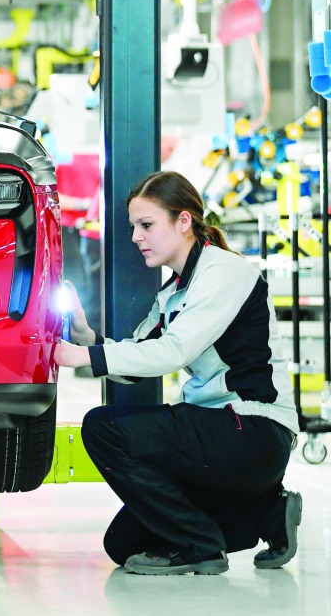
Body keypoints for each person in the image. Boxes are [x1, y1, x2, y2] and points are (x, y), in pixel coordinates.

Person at [55, 170, 301, 576]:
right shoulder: (173, 292)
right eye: (135, 226)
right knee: (123, 543)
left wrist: (85, 358)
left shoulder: (224, 273)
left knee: (102, 427)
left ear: (183, 221)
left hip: (253, 431)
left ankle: (200, 545)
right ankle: (267, 513)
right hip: (218, 434)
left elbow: (173, 352)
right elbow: (138, 358)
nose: (136, 236)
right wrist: (87, 337)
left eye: (146, 225)